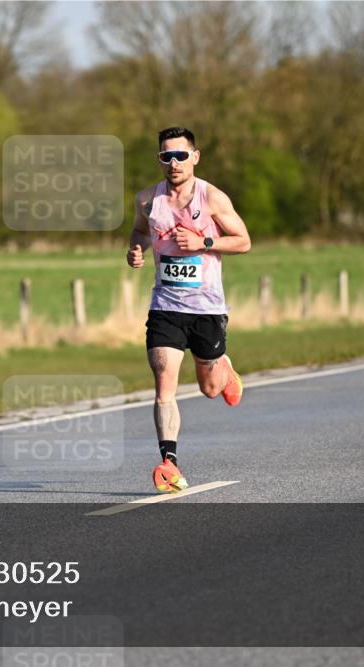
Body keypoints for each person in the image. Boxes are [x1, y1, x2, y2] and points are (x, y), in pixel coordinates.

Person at [126, 126, 251, 493]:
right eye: (167, 156)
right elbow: (139, 232)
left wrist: (204, 241)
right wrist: (136, 250)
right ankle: (169, 463)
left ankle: (223, 369)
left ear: (195, 157)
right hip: (165, 305)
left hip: (206, 308)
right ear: (159, 160)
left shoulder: (212, 198)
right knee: (164, 380)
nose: (174, 162)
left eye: (181, 155)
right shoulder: (148, 200)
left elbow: (243, 241)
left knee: (210, 389)